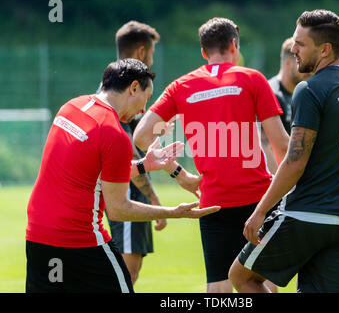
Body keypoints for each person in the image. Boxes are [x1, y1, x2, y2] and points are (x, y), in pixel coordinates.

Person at [25, 59, 220, 293]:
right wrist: (175, 212)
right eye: (146, 99)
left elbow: (91, 168)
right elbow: (118, 209)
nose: (143, 110)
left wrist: (144, 165)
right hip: (79, 240)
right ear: (133, 87)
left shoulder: (72, 106)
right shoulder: (115, 134)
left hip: (37, 235)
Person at [229, 9, 339, 293]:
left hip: (305, 217)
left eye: (300, 44)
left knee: (242, 277)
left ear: (325, 49)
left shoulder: (309, 89)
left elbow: (295, 161)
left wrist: (261, 211)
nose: (294, 49)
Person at [133, 17, 289, 293]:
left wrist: (178, 174)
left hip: (213, 201)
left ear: (204, 52)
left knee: (218, 288)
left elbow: (142, 136)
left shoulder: (181, 86)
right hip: (257, 200)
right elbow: (282, 146)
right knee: (258, 282)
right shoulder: (252, 79)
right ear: (234, 45)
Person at [103, 20, 165, 287]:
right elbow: (126, 154)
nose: (151, 62)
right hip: (125, 190)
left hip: (129, 187)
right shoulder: (118, 99)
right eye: (150, 56)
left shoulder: (114, 91)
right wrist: (153, 198)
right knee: (124, 274)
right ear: (141, 52)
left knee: (131, 271)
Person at [262, 38, 312, 174]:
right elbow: (265, 146)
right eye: (300, 62)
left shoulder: (303, 93)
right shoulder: (271, 93)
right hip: (282, 178)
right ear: (289, 63)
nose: (307, 69)